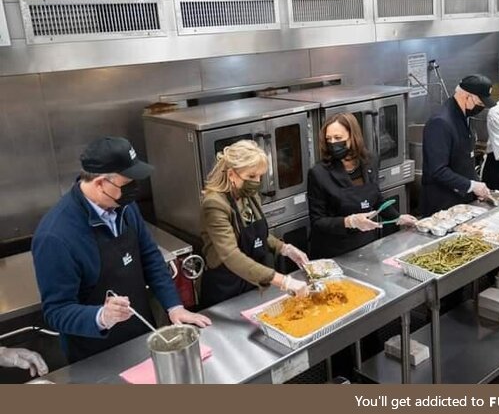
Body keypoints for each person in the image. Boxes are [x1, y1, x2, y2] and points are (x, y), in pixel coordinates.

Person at [32, 137, 211, 363]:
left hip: (142, 335)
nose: (133, 191)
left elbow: (150, 257)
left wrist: (174, 306)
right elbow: (56, 311)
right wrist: (101, 316)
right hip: (97, 353)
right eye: (127, 184)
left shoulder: (123, 205)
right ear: (100, 183)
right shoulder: (56, 236)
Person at [200, 140, 310, 307]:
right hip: (227, 286)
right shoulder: (215, 204)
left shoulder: (249, 196)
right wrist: (283, 280)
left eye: (260, 176)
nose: (256, 182)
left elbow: (259, 235)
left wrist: (284, 248)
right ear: (231, 175)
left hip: (251, 281)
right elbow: (231, 255)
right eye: (251, 176)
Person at [308, 112, 417, 259]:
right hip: (335, 250)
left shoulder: (370, 161)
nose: (333, 143)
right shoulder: (319, 173)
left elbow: (376, 198)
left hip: (366, 244)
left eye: (338, 138)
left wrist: (398, 217)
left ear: (353, 136)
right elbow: (317, 221)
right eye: (329, 139)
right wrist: (349, 221)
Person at [421, 74, 495, 217]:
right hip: (442, 205)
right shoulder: (440, 122)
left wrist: (478, 187)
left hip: (462, 201)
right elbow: (438, 170)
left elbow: (465, 160)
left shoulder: (464, 117)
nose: (482, 107)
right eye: (480, 103)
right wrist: (471, 186)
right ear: (467, 96)